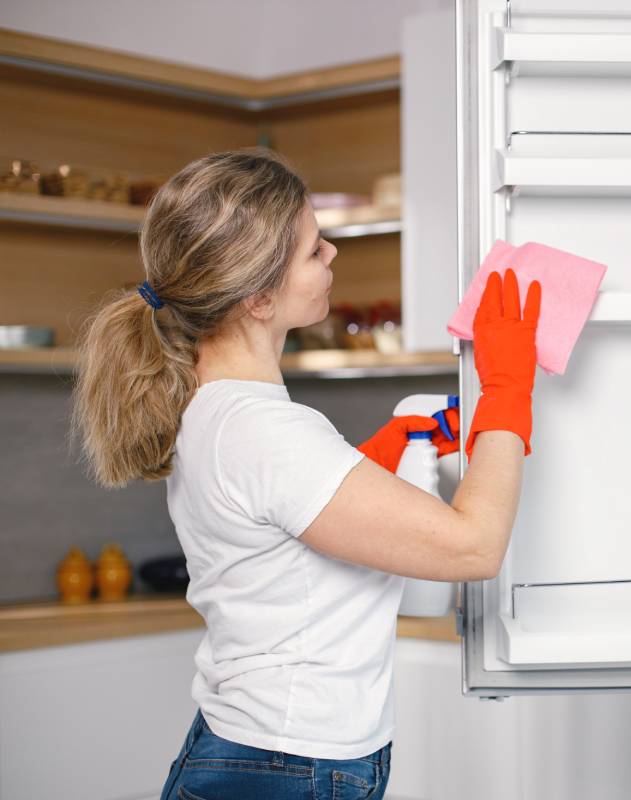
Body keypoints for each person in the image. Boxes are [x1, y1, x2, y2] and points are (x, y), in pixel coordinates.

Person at [70, 148, 541, 800]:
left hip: (263, 752)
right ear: (259, 296)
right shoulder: (267, 433)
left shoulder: (222, 410)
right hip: (287, 761)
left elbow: (285, 524)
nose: (332, 259)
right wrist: (510, 389)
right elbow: (473, 544)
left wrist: (370, 461)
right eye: (315, 251)